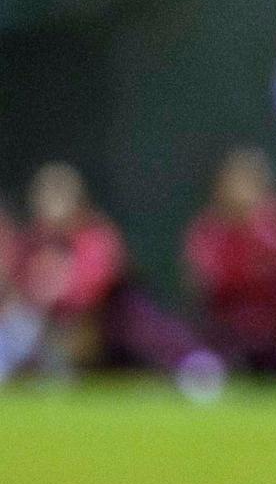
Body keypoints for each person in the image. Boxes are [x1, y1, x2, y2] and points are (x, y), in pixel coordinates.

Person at [9, 163, 222, 391]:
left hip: (106, 315)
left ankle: (193, 365)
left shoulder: (96, 235)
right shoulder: (33, 241)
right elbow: (21, 283)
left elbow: (93, 286)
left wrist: (56, 294)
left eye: (59, 197)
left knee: (139, 320)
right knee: (20, 321)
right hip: (56, 323)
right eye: (46, 196)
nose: (51, 205)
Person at [181, 148, 276, 374]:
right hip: (225, 334)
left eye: (247, 183)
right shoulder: (208, 230)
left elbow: (270, 278)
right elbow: (211, 282)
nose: (240, 191)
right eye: (235, 183)